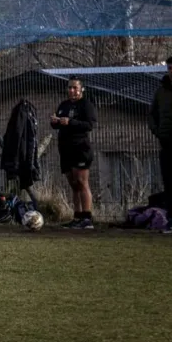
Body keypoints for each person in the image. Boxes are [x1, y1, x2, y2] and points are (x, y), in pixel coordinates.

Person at [51, 77, 98, 229]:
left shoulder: (86, 105)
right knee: (73, 184)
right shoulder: (64, 105)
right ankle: (77, 217)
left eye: (75, 88)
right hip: (65, 149)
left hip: (80, 148)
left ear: (81, 89)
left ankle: (87, 218)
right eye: (69, 88)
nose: (71, 90)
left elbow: (89, 125)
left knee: (81, 181)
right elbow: (58, 123)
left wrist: (70, 122)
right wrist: (55, 122)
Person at [149, 57, 172, 235]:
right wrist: (158, 131)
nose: (171, 71)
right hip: (167, 143)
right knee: (169, 183)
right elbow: (152, 115)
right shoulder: (161, 92)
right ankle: (171, 221)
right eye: (169, 68)